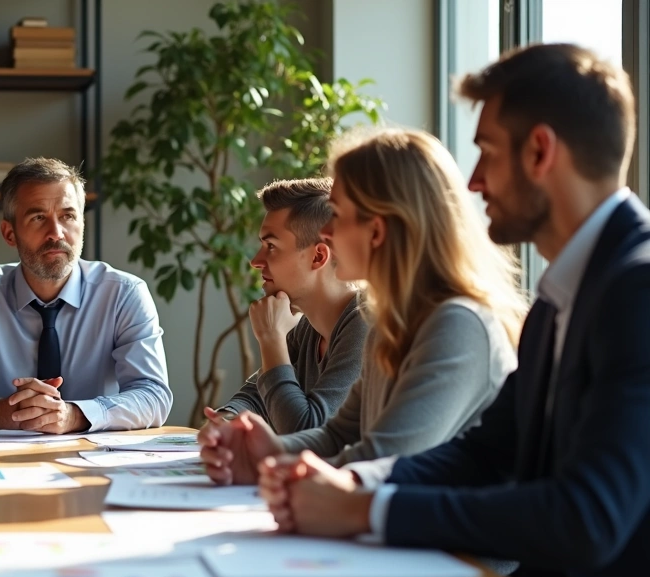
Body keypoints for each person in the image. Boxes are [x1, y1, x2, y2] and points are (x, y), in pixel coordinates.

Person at [254, 44, 648, 577]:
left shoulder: (635, 289)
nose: (474, 180)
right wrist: (354, 483)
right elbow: (487, 453)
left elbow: (588, 516)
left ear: (539, 151)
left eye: (487, 151)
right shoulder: (562, 299)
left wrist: (367, 507)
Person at [201, 127, 527, 480]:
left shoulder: (458, 325)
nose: (325, 233)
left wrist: (277, 466)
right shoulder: (389, 323)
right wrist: (268, 451)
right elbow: (339, 435)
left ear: (377, 230)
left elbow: (384, 460)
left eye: (337, 215)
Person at [0, 157, 172, 433]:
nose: (56, 233)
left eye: (68, 216)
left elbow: (153, 396)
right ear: (10, 233)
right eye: (38, 217)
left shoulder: (124, 295)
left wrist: (74, 415)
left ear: (82, 224)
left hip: (95, 460)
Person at [211, 178, 368, 435]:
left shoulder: (365, 323)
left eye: (270, 246)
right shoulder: (308, 326)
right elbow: (257, 396)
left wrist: (271, 339)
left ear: (318, 256)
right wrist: (224, 423)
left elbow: (306, 431)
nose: (255, 261)